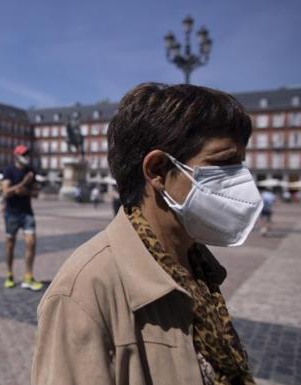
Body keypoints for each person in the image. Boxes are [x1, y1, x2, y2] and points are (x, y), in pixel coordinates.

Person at [32, 83, 262, 385]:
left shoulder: (198, 265)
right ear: (157, 170)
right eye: (222, 164)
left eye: (240, 165)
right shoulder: (85, 293)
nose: (240, 181)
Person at [1, 144, 43, 291]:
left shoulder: (31, 171)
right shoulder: (9, 170)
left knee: (31, 242)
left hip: (27, 212)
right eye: (23, 154)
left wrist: (27, 191)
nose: (26, 157)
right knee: (10, 245)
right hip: (11, 213)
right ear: (16, 156)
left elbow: (36, 193)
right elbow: (5, 192)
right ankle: (9, 274)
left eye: (27, 154)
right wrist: (22, 184)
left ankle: (28, 276)